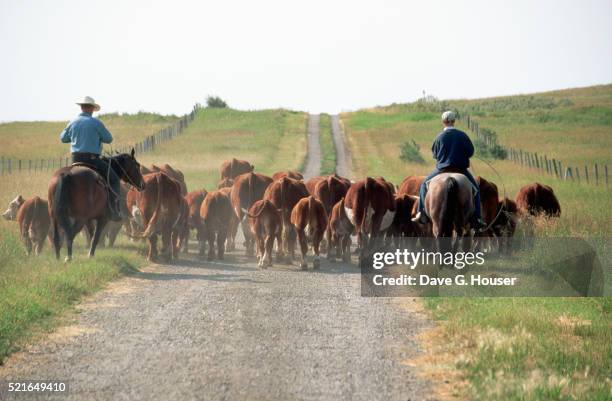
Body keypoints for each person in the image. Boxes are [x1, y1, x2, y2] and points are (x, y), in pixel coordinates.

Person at [412, 110, 486, 230]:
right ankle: (477, 217)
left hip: (442, 170)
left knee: (424, 185)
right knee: (476, 189)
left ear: (443, 122)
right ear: (454, 121)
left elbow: (435, 155)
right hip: (461, 170)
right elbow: (470, 152)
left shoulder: (439, 137)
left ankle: (422, 214)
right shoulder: (462, 135)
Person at [60, 96, 122, 221]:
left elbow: (63, 138)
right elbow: (109, 139)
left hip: (75, 160)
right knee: (114, 179)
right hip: (92, 160)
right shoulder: (96, 123)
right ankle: (113, 210)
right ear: (92, 109)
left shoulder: (72, 122)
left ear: (81, 107)